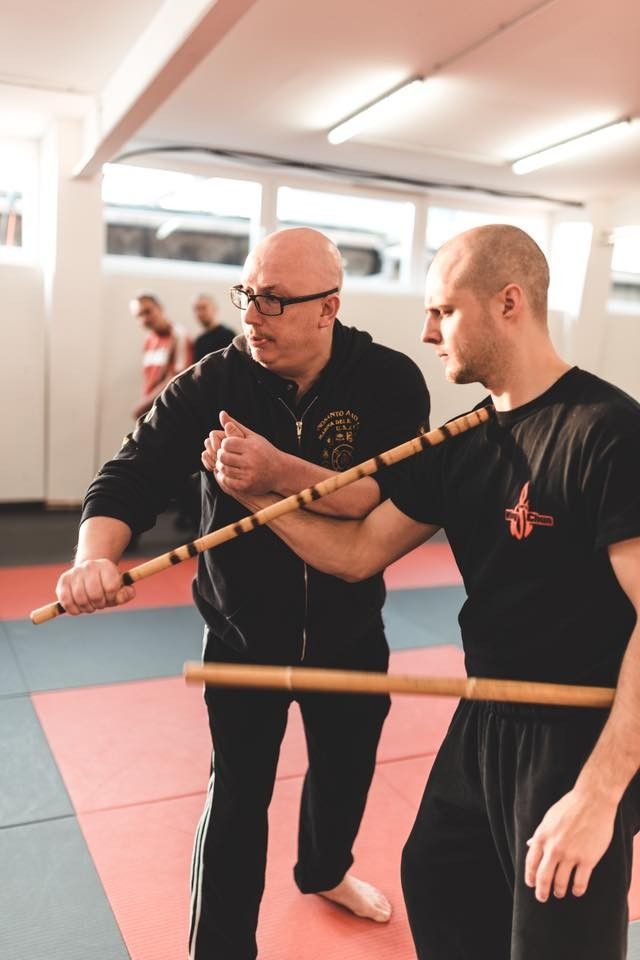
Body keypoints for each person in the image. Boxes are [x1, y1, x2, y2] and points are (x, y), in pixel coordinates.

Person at [212, 224, 640, 960]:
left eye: (444, 311)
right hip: (485, 718)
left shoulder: (608, 432)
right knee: (437, 877)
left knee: (553, 933)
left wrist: (599, 794)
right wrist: (254, 496)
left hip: (580, 729)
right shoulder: (467, 442)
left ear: (509, 303)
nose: (427, 331)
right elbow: (354, 551)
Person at [55, 227, 431, 960]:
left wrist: (271, 474)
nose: (252, 316)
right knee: (234, 801)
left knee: (346, 773)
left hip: (350, 631)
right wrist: (92, 560)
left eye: (274, 301)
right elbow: (128, 476)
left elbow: (373, 497)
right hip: (240, 635)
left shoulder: (389, 379)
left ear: (328, 308)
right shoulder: (214, 383)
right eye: (247, 295)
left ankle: (324, 872)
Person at [129, 292, 193, 419]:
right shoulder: (149, 340)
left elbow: (178, 377)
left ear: (160, 308)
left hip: (170, 411)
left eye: (147, 312)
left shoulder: (178, 335)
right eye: (139, 315)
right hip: (151, 411)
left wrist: (144, 405)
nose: (145, 319)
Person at [192, 293, 235, 361]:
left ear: (215, 309)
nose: (199, 313)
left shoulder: (228, 335)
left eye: (203, 308)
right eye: (197, 309)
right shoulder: (199, 341)